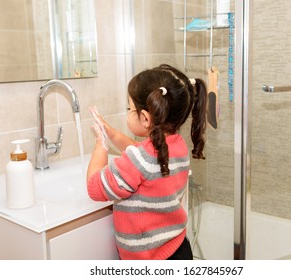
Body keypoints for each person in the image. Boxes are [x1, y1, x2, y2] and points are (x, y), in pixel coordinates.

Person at [87, 64, 207, 260]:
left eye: (130, 108)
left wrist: (101, 144)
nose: (128, 112)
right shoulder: (176, 145)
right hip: (178, 248)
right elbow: (138, 151)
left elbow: (94, 187)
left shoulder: (141, 159)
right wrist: (113, 134)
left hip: (149, 259)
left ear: (144, 118)